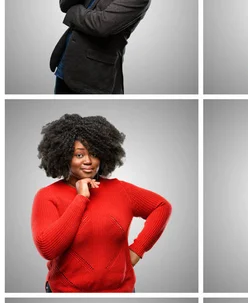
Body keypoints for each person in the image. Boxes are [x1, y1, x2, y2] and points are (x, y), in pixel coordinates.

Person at [32, 114, 172, 292]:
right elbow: (48, 249)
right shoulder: (47, 196)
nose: (88, 161)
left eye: (94, 154)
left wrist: (137, 250)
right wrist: (81, 198)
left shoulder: (121, 190)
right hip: (65, 294)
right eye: (79, 154)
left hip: (121, 292)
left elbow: (161, 207)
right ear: (64, 156)